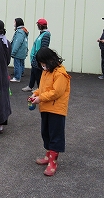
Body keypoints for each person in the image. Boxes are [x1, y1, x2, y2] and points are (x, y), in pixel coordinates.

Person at [29, 47, 71, 176]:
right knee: (46, 132)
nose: (42, 66)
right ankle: (48, 156)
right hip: (46, 107)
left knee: (55, 134)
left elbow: (56, 92)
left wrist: (40, 98)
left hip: (56, 109)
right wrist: (35, 94)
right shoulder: (46, 72)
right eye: (41, 64)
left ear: (49, 60)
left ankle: (53, 162)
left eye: (43, 63)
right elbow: (43, 88)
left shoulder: (60, 73)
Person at [22, 18, 50, 92]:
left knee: (38, 73)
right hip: (35, 56)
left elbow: (44, 47)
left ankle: (39, 88)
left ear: (41, 25)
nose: (37, 26)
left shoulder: (46, 35)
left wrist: (40, 57)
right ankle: (30, 86)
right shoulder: (42, 33)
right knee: (33, 72)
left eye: (38, 25)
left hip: (39, 57)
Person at [10, 18, 29, 83]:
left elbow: (17, 42)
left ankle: (17, 77)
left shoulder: (19, 32)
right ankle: (20, 74)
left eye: (14, 22)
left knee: (17, 64)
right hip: (22, 51)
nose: (14, 24)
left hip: (18, 52)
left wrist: (13, 52)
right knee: (21, 63)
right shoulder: (24, 31)